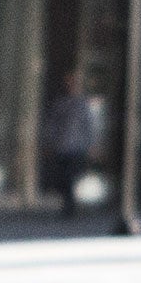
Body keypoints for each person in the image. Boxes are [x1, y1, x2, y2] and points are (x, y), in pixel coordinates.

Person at [43, 71, 96, 218]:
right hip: (62, 147)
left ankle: (70, 206)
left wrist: (90, 145)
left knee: (71, 177)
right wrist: (49, 142)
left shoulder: (82, 105)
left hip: (76, 147)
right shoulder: (60, 104)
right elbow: (52, 125)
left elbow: (88, 126)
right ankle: (68, 203)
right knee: (62, 178)